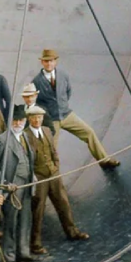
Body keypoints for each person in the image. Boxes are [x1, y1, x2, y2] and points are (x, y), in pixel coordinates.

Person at [32, 48, 120, 169]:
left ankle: (104, 160)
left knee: (89, 132)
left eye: (51, 61)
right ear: (42, 62)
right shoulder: (36, 81)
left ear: (55, 61)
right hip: (52, 120)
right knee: (51, 148)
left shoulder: (63, 75)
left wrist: (62, 106)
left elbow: (68, 92)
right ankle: (51, 178)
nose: (49, 64)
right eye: (46, 61)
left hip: (66, 115)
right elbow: (36, 103)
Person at [25, 105, 89, 253]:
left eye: (39, 117)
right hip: (39, 178)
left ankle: (72, 232)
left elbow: (54, 151)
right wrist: (32, 176)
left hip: (53, 175)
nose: (37, 120)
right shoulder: (25, 135)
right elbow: (25, 159)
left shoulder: (47, 130)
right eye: (34, 117)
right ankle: (35, 243)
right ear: (29, 118)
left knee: (63, 204)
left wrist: (56, 168)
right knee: (38, 210)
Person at [0, 105, 36, 262]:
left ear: (25, 121)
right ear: (10, 121)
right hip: (12, 186)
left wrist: (32, 175)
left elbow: (28, 159)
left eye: (21, 120)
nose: (18, 123)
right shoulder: (2, 139)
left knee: (25, 220)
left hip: (26, 184)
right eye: (14, 120)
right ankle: (9, 257)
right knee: (10, 223)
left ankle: (23, 252)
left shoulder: (25, 137)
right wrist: (4, 182)